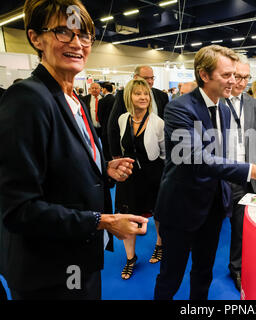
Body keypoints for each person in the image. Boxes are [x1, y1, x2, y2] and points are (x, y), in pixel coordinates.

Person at [0, 0, 148, 300]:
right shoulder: (27, 99)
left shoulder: (72, 98)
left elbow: (59, 171)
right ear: (35, 38)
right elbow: (18, 209)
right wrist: (102, 221)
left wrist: (103, 171)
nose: (77, 44)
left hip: (77, 257)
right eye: (64, 33)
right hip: (49, 269)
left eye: (84, 35)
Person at [153, 45, 256, 300]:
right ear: (204, 75)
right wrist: (253, 171)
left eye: (236, 75)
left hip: (214, 205)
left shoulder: (224, 109)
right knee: (171, 276)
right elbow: (196, 159)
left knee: (204, 272)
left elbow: (221, 157)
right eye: (227, 75)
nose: (234, 81)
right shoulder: (179, 108)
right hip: (181, 207)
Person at [222, 54, 256, 291]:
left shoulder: (254, 105)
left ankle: (236, 268)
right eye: (236, 76)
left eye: (245, 78)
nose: (240, 82)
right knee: (206, 228)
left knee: (240, 229)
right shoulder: (215, 101)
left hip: (244, 176)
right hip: (217, 178)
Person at [115, 79, 165, 279]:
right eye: (138, 94)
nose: (143, 97)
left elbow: (165, 153)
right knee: (129, 217)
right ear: (130, 96)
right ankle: (130, 258)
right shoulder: (122, 119)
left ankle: (160, 245)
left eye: (146, 94)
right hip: (129, 177)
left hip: (153, 175)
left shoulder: (158, 122)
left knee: (158, 214)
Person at [107, 65, 169, 159]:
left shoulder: (162, 96)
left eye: (152, 78)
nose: (150, 81)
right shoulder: (123, 101)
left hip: (154, 153)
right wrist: (116, 153)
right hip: (130, 156)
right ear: (136, 77)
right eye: (146, 78)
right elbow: (113, 126)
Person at [98, 82, 115, 161]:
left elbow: (100, 116)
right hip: (115, 127)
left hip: (105, 127)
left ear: (105, 89)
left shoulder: (102, 101)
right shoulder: (115, 99)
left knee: (105, 146)